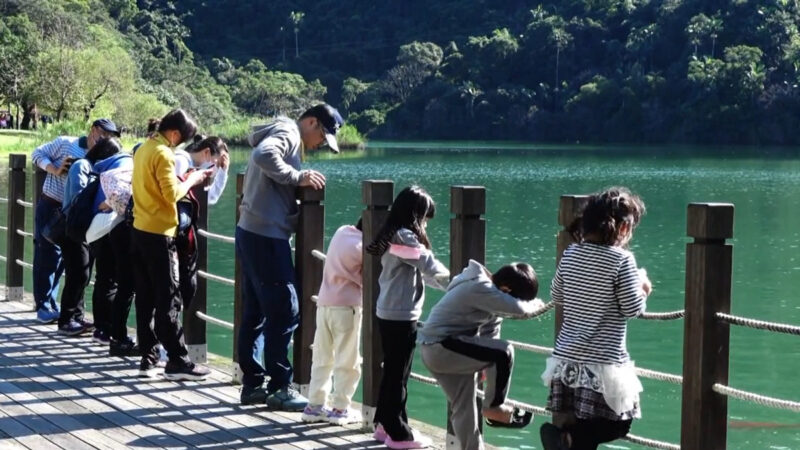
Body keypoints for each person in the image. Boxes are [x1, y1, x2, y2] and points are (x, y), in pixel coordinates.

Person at [237, 103, 343, 410]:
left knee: (256, 311)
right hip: (266, 236)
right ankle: (280, 387)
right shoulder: (288, 132)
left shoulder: (284, 132)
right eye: (322, 135)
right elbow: (262, 155)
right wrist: (297, 177)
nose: (321, 143)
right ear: (310, 122)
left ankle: (253, 385)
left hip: (251, 231)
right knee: (286, 309)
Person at [539, 187, 651, 450]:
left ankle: (568, 438)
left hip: (567, 359)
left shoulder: (571, 254)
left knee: (581, 420)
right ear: (623, 228)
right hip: (603, 362)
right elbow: (633, 308)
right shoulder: (621, 261)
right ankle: (568, 439)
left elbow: (557, 294)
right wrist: (643, 286)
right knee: (619, 423)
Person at [419, 259, 543, 450]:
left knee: (464, 411)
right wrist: (537, 305)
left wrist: (485, 366)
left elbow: (491, 332)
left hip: (439, 350)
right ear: (506, 290)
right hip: (442, 346)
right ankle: (494, 407)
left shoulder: (493, 295)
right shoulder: (479, 286)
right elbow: (518, 310)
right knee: (505, 352)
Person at [366, 185, 450, 450]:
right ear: (415, 215)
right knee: (398, 374)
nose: (426, 224)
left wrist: (453, 285)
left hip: (390, 311)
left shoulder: (394, 234)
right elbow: (427, 264)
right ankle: (399, 433)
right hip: (400, 314)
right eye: (425, 218)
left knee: (393, 371)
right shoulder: (404, 237)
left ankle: (383, 424)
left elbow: (425, 272)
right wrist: (462, 280)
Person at [131, 108, 212, 380]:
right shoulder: (164, 154)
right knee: (168, 296)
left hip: (140, 228)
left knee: (144, 295)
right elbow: (171, 195)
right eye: (183, 140)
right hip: (159, 232)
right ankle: (177, 359)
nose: (181, 145)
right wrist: (193, 178)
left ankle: (149, 352)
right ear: (175, 133)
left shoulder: (143, 149)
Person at [31, 118, 120, 324]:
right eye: (106, 135)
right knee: (47, 256)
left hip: (75, 216)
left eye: (111, 137)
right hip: (53, 206)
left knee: (66, 262)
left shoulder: (102, 157)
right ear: (94, 130)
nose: (107, 139)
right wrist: (55, 169)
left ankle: (56, 306)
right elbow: (36, 154)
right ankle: (43, 306)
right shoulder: (65, 143)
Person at [57, 138, 123, 336]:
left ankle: (76, 317)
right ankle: (66, 319)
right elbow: (79, 197)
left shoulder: (95, 169)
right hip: (74, 227)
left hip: (87, 229)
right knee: (79, 273)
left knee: (83, 273)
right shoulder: (82, 166)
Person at [301, 220, 364, 425]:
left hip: (325, 303)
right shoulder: (364, 247)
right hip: (347, 306)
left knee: (322, 356)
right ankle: (340, 408)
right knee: (348, 359)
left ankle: (315, 406)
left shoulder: (341, 231)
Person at [173, 135, 230, 313]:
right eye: (215, 163)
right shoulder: (181, 162)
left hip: (179, 235)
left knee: (183, 285)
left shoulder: (193, 168)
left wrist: (223, 172)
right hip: (167, 234)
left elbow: (209, 198)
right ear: (206, 153)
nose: (213, 169)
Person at [87, 141, 134, 348]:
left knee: (104, 279)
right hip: (109, 226)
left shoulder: (100, 167)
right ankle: (108, 330)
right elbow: (115, 197)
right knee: (112, 281)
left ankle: (102, 329)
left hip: (94, 228)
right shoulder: (124, 164)